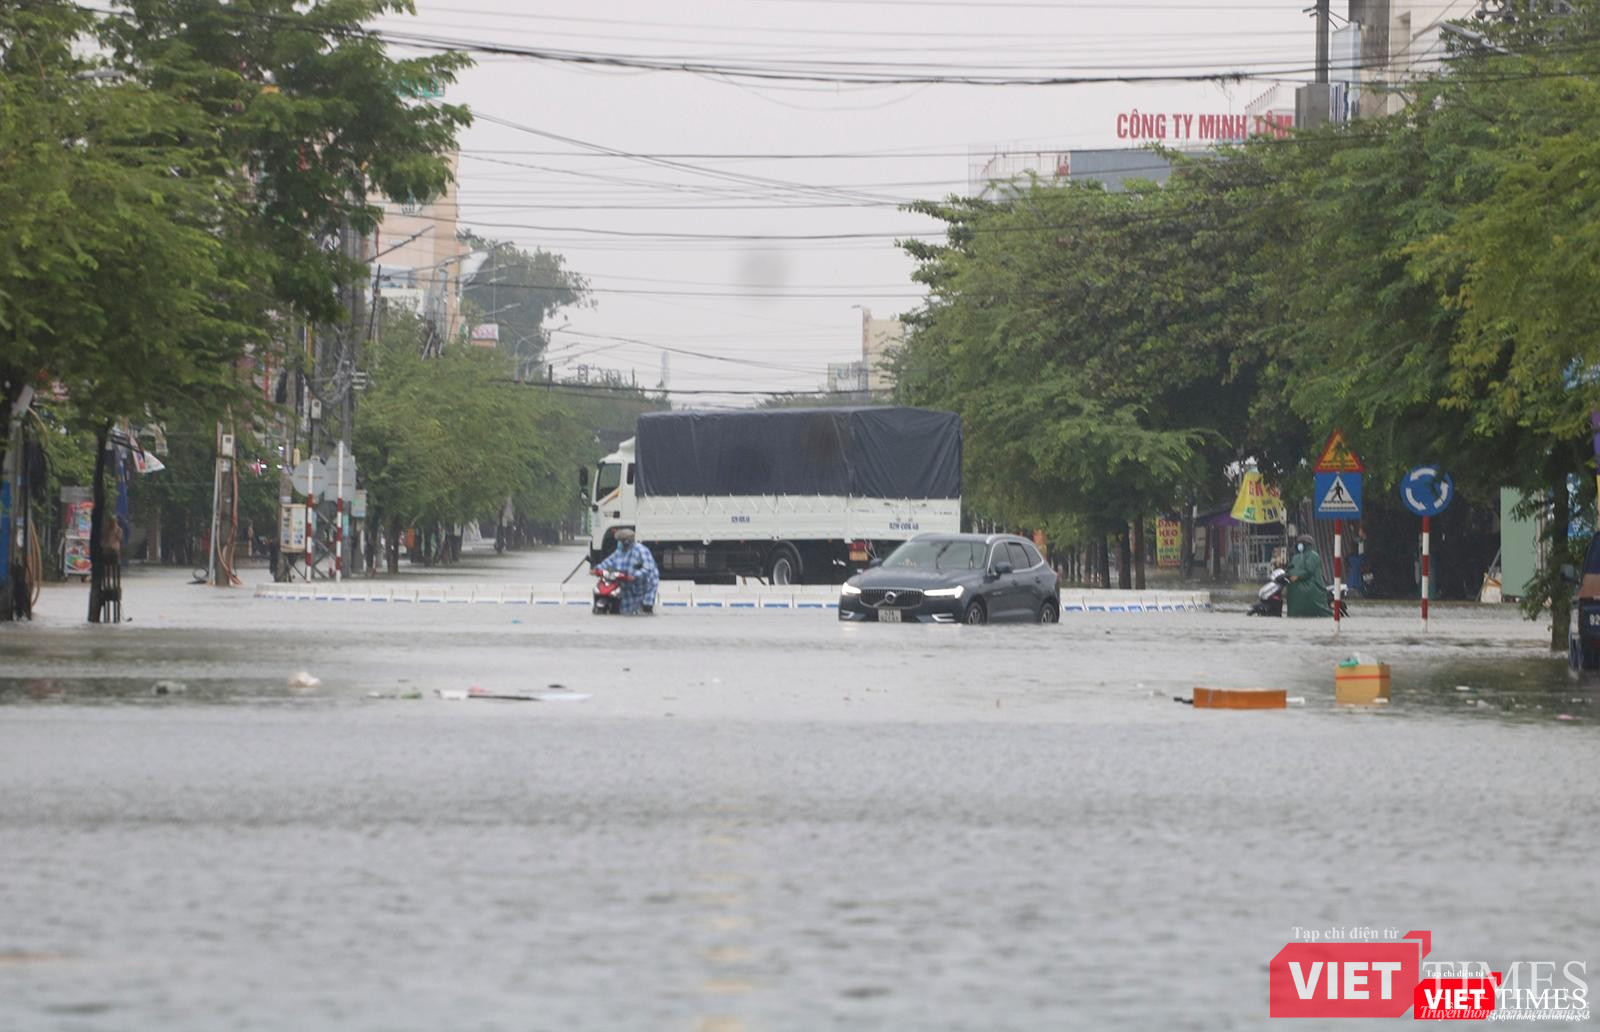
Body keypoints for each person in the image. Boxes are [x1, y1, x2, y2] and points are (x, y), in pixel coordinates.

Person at [594, 528, 659, 614]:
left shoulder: (641, 550)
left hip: (645, 585)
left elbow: (648, 569)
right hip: (627, 584)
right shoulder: (619, 551)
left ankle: (647, 608)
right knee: (625, 611)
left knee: (645, 610)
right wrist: (596, 569)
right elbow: (609, 561)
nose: (620, 543)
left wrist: (635, 575)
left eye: (621, 541)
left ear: (627, 541)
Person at [1285, 532, 1331, 618]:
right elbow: (1291, 567)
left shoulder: (1313, 556)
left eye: (1301, 543)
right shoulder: (1296, 557)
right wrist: (1287, 574)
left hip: (1312, 586)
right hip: (1295, 585)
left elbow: (1309, 571)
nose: (1299, 545)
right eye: (1298, 543)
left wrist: (1298, 576)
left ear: (1306, 544)